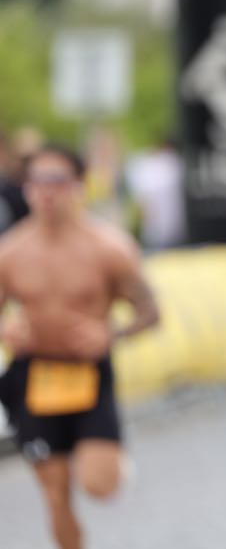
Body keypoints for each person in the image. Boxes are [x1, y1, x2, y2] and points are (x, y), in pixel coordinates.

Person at [0, 145, 160, 549]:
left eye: (56, 181)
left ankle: (113, 465)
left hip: (88, 372)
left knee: (98, 485)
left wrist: (111, 334)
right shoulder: (10, 252)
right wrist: (6, 329)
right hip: (33, 375)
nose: (46, 192)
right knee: (55, 494)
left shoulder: (109, 247)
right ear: (26, 187)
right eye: (37, 181)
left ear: (77, 185)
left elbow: (150, 313)